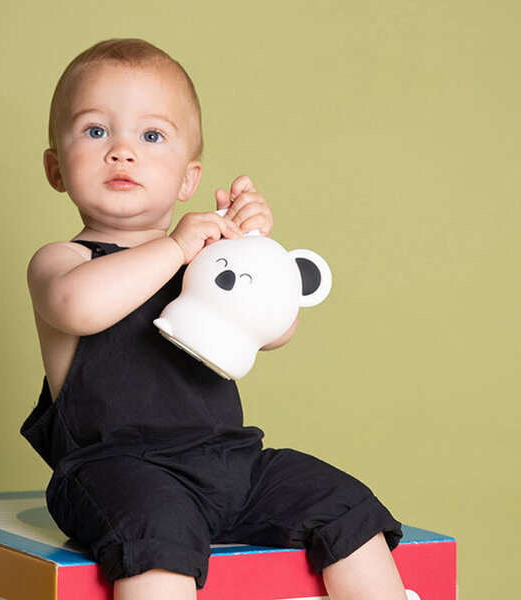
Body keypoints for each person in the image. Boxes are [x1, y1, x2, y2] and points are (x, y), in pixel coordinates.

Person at [21, 38, 406, 600]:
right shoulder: (64, 261)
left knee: (344, 503)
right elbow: (77, 307)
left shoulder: (205, 259)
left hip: (231, 462)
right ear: (56, 168)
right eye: (96, 131)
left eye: (152, 136)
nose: (122, 151)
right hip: (117, 472)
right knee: (158, 535)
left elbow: (277, 331)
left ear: (188, 180)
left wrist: (253, 252)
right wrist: (178, 247)